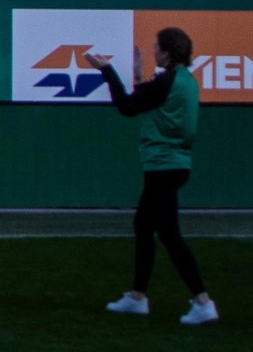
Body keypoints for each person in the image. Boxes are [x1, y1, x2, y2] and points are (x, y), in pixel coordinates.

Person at [87, 30, 217, 325]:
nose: (154, 50)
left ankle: (202, 301)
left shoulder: (167, 82)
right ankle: (137, 297)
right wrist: (136, 73)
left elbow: (127, 106)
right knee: (144, 226)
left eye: (157, 47)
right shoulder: (184, 81)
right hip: (174, 163)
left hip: (163, 164)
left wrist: (106, 70)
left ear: (167, 53)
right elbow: (151, 98)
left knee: (168, 234)